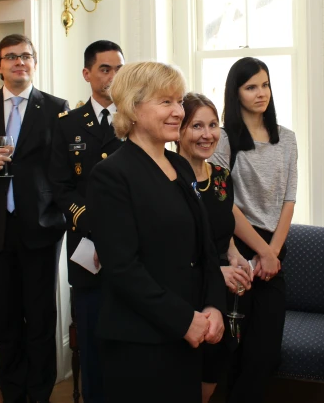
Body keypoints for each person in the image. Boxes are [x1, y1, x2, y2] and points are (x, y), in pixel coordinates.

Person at [86, 62, 226, 403]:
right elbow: (122, 267)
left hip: (189, 332)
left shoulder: (178, 163)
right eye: (166, 102)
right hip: (141, 342)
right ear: (134, 107)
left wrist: (214, 305)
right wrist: (183, 321)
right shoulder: (110, 175)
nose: (178, 111)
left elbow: (204, 246)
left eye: (179, 101)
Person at [0, 33, 68, 403]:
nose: (19, 62)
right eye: (11, 57)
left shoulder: (56, 108)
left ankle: (39, 393)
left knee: (39, 318)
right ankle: (13, 392)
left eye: (26, 56)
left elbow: (63, 169)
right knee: (6, 318)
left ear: (34, 63)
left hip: (40, 227)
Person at [175, 92, 280, 403]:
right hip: (189, 291)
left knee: (215, 372)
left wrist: (235, 254)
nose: (207, 135)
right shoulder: (168, 179)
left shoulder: (220, 177)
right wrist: (217, 271)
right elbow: (173, 247)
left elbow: (224, 226)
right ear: (178, 130)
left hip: (226, 296)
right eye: (196, 126)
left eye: (213, 125)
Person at [211, 57, 297, 403]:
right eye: (251, 87)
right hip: (237, 251)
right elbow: (221, 203)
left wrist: (272, 253)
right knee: (233, 349)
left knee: (265, 353)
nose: (261, 93)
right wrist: (259, 251)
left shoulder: (287, 138)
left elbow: (289, 200)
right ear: (236, 93)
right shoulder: (223, 138)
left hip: (273, 253)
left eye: (265, 84)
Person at [48, 40, 125, 403]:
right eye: (105, 69)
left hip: (130, 245)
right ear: (87, 74)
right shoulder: (67, 125)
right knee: (92, 334)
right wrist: (90, 221)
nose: (112, 76)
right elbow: (60, 186)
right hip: (86, 245)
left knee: (129, 336)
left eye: (118, 69)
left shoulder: (134, 118)